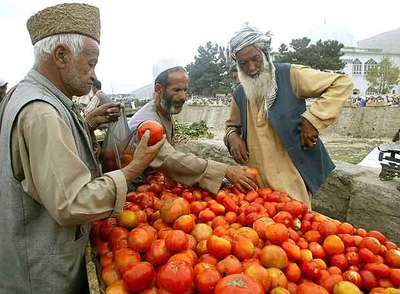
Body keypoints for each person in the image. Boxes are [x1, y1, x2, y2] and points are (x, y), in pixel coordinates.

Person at [0, 3, 165, 293]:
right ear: (61, 55)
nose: (93, 74)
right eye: (90, 63)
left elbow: (38, 160)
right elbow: (73, 202)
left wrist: (85, 124)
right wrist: (134, 167)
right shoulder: (42, 111)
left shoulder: (26, 95)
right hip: (42, 276)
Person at [225, 24, 353, 207]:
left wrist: (312, 119)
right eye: (243, 64)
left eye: (255, 59)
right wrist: (232, 137)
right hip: (257, 185)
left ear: (265, 53)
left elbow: (341, 83)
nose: (251, 68)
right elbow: (232, 126)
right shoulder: (239, 93)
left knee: (297, 228)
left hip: (292, 181)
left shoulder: (289, 74)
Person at [129, 58, 257, 194]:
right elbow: (169, 158)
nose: (183, 96)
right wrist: (224, 170)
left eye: (185, 90)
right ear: (158, 89)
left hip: (153, 184)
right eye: (177, 90)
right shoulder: (148, 123)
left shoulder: (163, 111)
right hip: (135, 189)